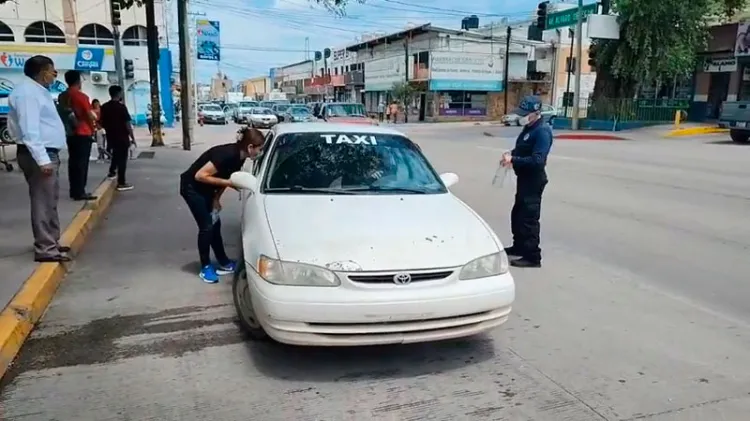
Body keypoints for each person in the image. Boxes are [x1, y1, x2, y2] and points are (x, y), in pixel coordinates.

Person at [179, 127, 265, 283]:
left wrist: (216, 199)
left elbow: (228, 177)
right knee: (206, 227)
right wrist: (230, 183)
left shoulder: (240, 157)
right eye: (259, 149)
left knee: (215, 224)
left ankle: (223, 262)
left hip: (207, 190)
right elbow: (200, 175)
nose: (259, 153)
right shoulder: (226, 154)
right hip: (192, 188)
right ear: (250, 147)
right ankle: (205, 267)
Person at [8, 55, 71, 262]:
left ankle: (51, 241)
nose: (54, 75)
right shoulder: (27, 94)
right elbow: (29, 129)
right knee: (42, 202)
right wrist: (42, 159)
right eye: (52, 71)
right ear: (43, 71)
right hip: (38, 153)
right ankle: (46, 248)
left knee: (49, 200)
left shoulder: (36, 91)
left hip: (46, 151)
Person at [500, 95, 553, 268]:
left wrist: (514, 160)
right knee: (518, 214)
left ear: (536, 113)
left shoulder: (542, 131)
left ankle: (532, 256)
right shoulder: (529, 129)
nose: (521, 116)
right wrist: (511, 154)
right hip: (523, 178)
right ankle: (519, 246)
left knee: (529, 217)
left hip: (533, 179)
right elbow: (522, 148)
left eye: (525, 113)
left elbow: (538, 160)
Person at [60, 70, 97, 201]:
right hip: (83, 132)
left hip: (70, 132)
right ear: (78, 81)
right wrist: (93, 130)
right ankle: (80, 191)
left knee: (73, 162)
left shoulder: (63, 96)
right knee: (82, 164)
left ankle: (74, 190)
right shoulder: (81, 97)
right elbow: (88, 115)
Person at [100, 85, 135, 191]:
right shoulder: (121, 107)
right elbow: (127, 124)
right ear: (119, 94)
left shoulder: (104, 107)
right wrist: (132, 137)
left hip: (111, 136)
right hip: (122, 136)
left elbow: (102, 121)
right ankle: (122, 182)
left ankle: (112, 171)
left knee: (115, 154)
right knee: (122, 160)